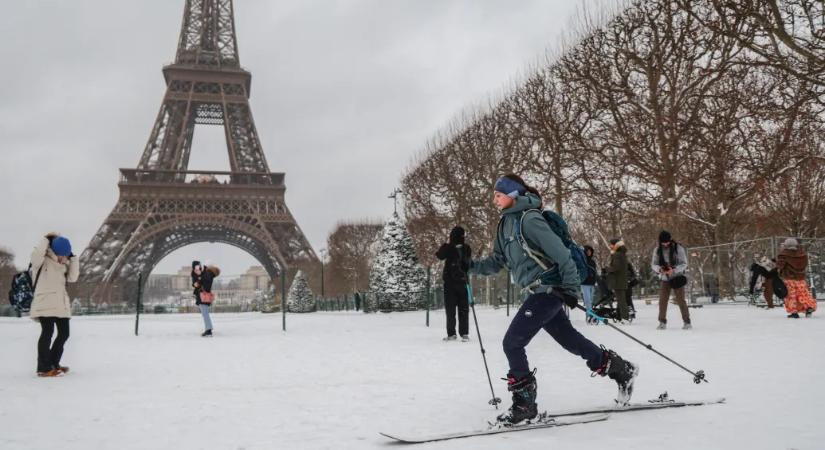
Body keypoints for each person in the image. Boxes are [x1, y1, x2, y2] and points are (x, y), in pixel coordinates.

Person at [469, 174, 638, 424]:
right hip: (536, 293)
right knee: (571, 341)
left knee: (512, 343)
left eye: (498, 194)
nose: (494, 199)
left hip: (550, 291)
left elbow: (561, 255)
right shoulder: (504, 225)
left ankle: (525, 405)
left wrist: (570, 289)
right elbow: (497, 262)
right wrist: (468, 265)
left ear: (514, 194)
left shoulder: (530, 219)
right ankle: (621, 370)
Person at [29, 233, 79, 377]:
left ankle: (53, 363)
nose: (64, 258)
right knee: (47, 333)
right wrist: (46, 239)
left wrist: (73, 258)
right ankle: (43, 367)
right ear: (55, 250)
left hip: (60, 304)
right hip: (45, 303)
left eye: (66, 255)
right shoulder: (41, 260)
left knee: (64, 333)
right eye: (62, 254)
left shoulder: (65, 264)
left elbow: (73, 278)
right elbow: (36, 255)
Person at [436, 226, 472, 341]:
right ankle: (462, 333)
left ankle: (454, 334)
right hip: (460, 282)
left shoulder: (464, 248)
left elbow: (439, 255)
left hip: (454, 282)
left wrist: (448, 246)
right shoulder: (463, 248)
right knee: (462, 309)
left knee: (453, 310)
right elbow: (440, 255)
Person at [651, 230, 691, 330]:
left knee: (681, 300)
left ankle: (687, 322)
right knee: (662, 301)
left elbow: (684, 263)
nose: (665, 244)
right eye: (663, 242)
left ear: (670, 240)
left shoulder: (678, 248)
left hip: (677, 277)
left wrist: (673, 270)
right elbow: (654, 264)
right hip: (665, 278)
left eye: (667, 242)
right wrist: (660, 269)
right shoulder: (657, 250)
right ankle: (662, 322)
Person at [776, 238, 816, 318]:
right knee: (803, 294)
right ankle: (808, 307)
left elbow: (780, 265)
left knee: (791, 295)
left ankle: (794, 312)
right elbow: (805, 265)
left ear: (786, 245)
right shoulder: (802, 254)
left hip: (789, 278)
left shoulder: (783, 254)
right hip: (801, 278)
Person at [606, 239, 630, 322]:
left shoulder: (617, 255)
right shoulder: (622, 254)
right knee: (621, 300)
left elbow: (616, 267)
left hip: (618, 281)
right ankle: (620, 316)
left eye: (611, 245)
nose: (610, 246)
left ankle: (625, 317)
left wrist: (607, 269)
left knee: (621, 300)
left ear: (615, 245)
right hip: (622, 281)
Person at [581, 245, 598, 324]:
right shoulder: (582, 261)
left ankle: (589, 315)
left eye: (590, 251)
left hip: (592, 284)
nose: (589, 252)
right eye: (587, 251)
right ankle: (589, 316)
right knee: (587, 301)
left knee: (591, 301)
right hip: (584, 284)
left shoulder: (592, 261)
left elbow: (594, 272)